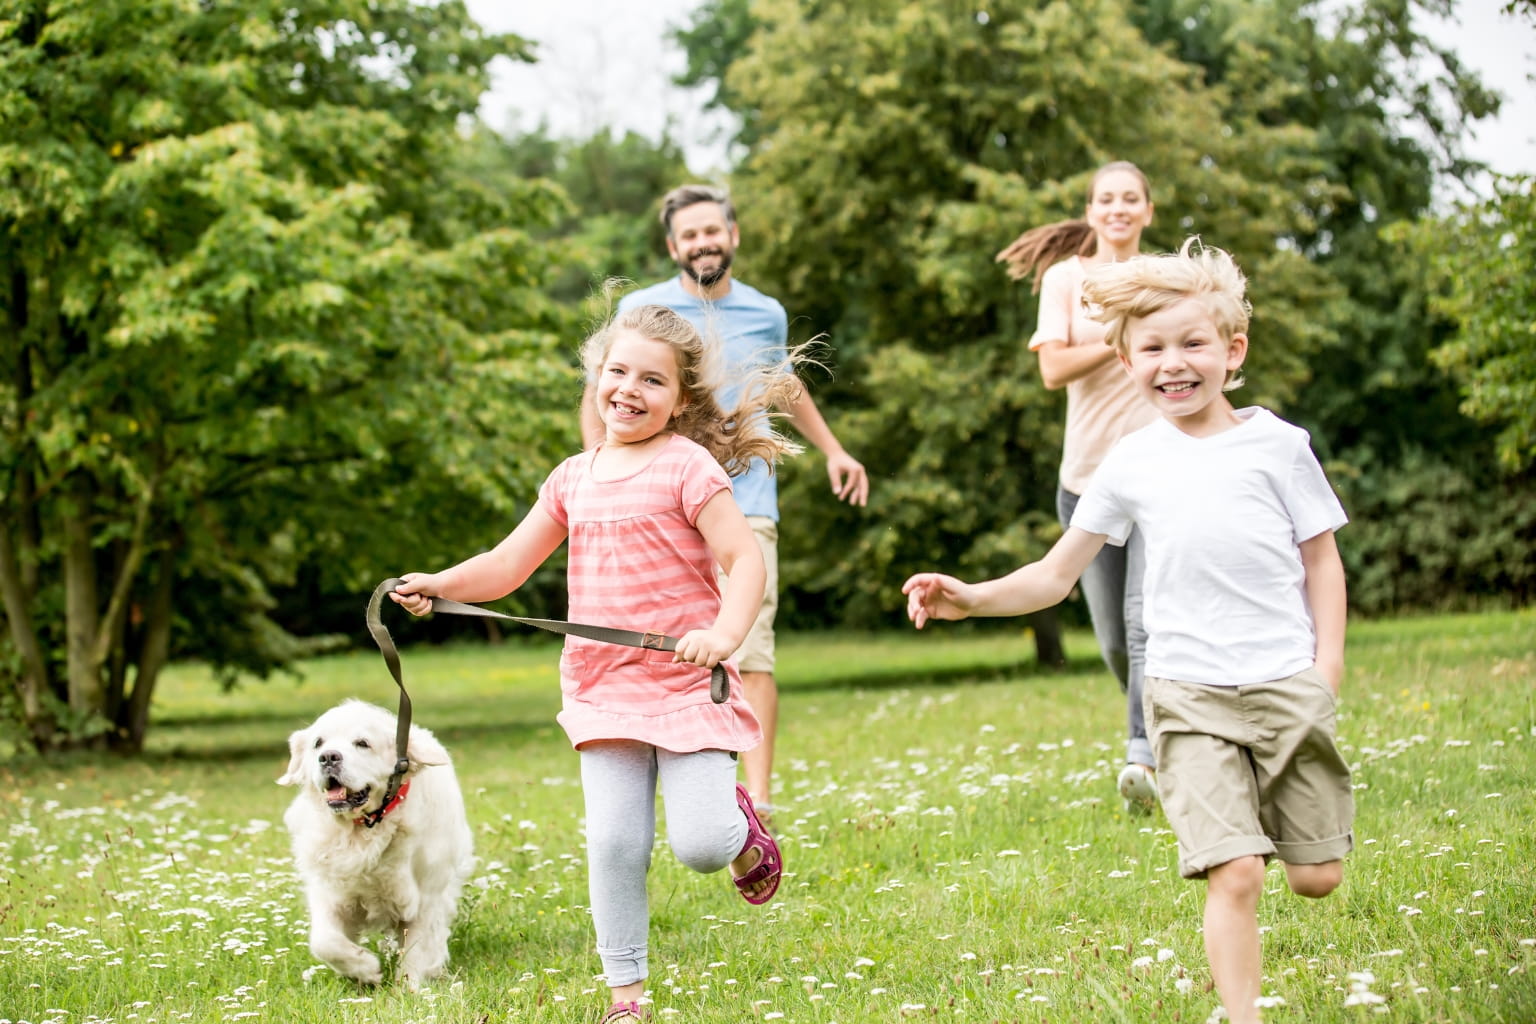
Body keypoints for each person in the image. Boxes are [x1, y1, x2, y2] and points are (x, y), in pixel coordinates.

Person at [904, 240, 1352, 1024]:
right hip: (1184, 692)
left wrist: (1328, 668)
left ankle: (1287, 826)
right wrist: (969, 597)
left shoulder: (1278, 446)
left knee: (1316, 878)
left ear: (1232, 349)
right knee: (1237, 870)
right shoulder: (1131, 461)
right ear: (1123, 358)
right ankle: (1241, 1015)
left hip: (1286, 683)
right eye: (1151, 349)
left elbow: (1322, 559)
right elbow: (1055, 573)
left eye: (1193, 344)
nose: (1173, 363)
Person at [395, 304, 797, 1023]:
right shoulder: (572, 478)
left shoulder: (687, 464)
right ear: (595, 379)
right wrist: (440, 584)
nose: (629, 390)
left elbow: (742, 560)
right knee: (615, 842)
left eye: (652, 379)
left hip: (683, 679)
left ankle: (739, 832)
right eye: (617, 372)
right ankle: (626, 997)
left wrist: (724, 632)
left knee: (700, 846)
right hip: (602, 685)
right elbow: (507, 564)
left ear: (680, 398)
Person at [582, 183, 869, 822]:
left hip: (744, 504)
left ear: (732, 235)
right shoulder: (641, 311)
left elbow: (783, 384)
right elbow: (601, 391)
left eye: (712, 230)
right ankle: (672, 785)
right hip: (655, 513)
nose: (702, 242)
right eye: (689, 235)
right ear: (672, 246)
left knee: (750, 643)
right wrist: (598, 476)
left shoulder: (765, 313)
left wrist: (834, 450)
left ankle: (757, 800)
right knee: (660, 644)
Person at [995, 160, 1161, 814]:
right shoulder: (1066, 279)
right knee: (1116, 642)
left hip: (1156, 475)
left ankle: (1142, 753)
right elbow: (1054, 368)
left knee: (1145, 626)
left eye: (1130, 199)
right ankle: (1163, 721)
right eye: (1106, 199)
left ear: (1147, 210)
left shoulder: (1164, 276)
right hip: (1087, 483)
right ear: (1090, 212)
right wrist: (1119, 337)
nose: (1118, 208)